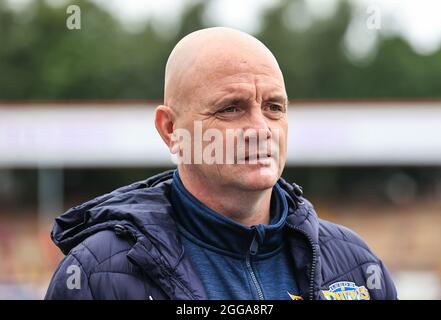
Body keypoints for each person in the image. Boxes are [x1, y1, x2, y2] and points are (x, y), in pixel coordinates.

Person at [45, 27, 397, 300]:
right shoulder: (96, 276)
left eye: (274, 107)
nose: (261, 130)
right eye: (231, 108)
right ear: (171, 130)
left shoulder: (356, 267)